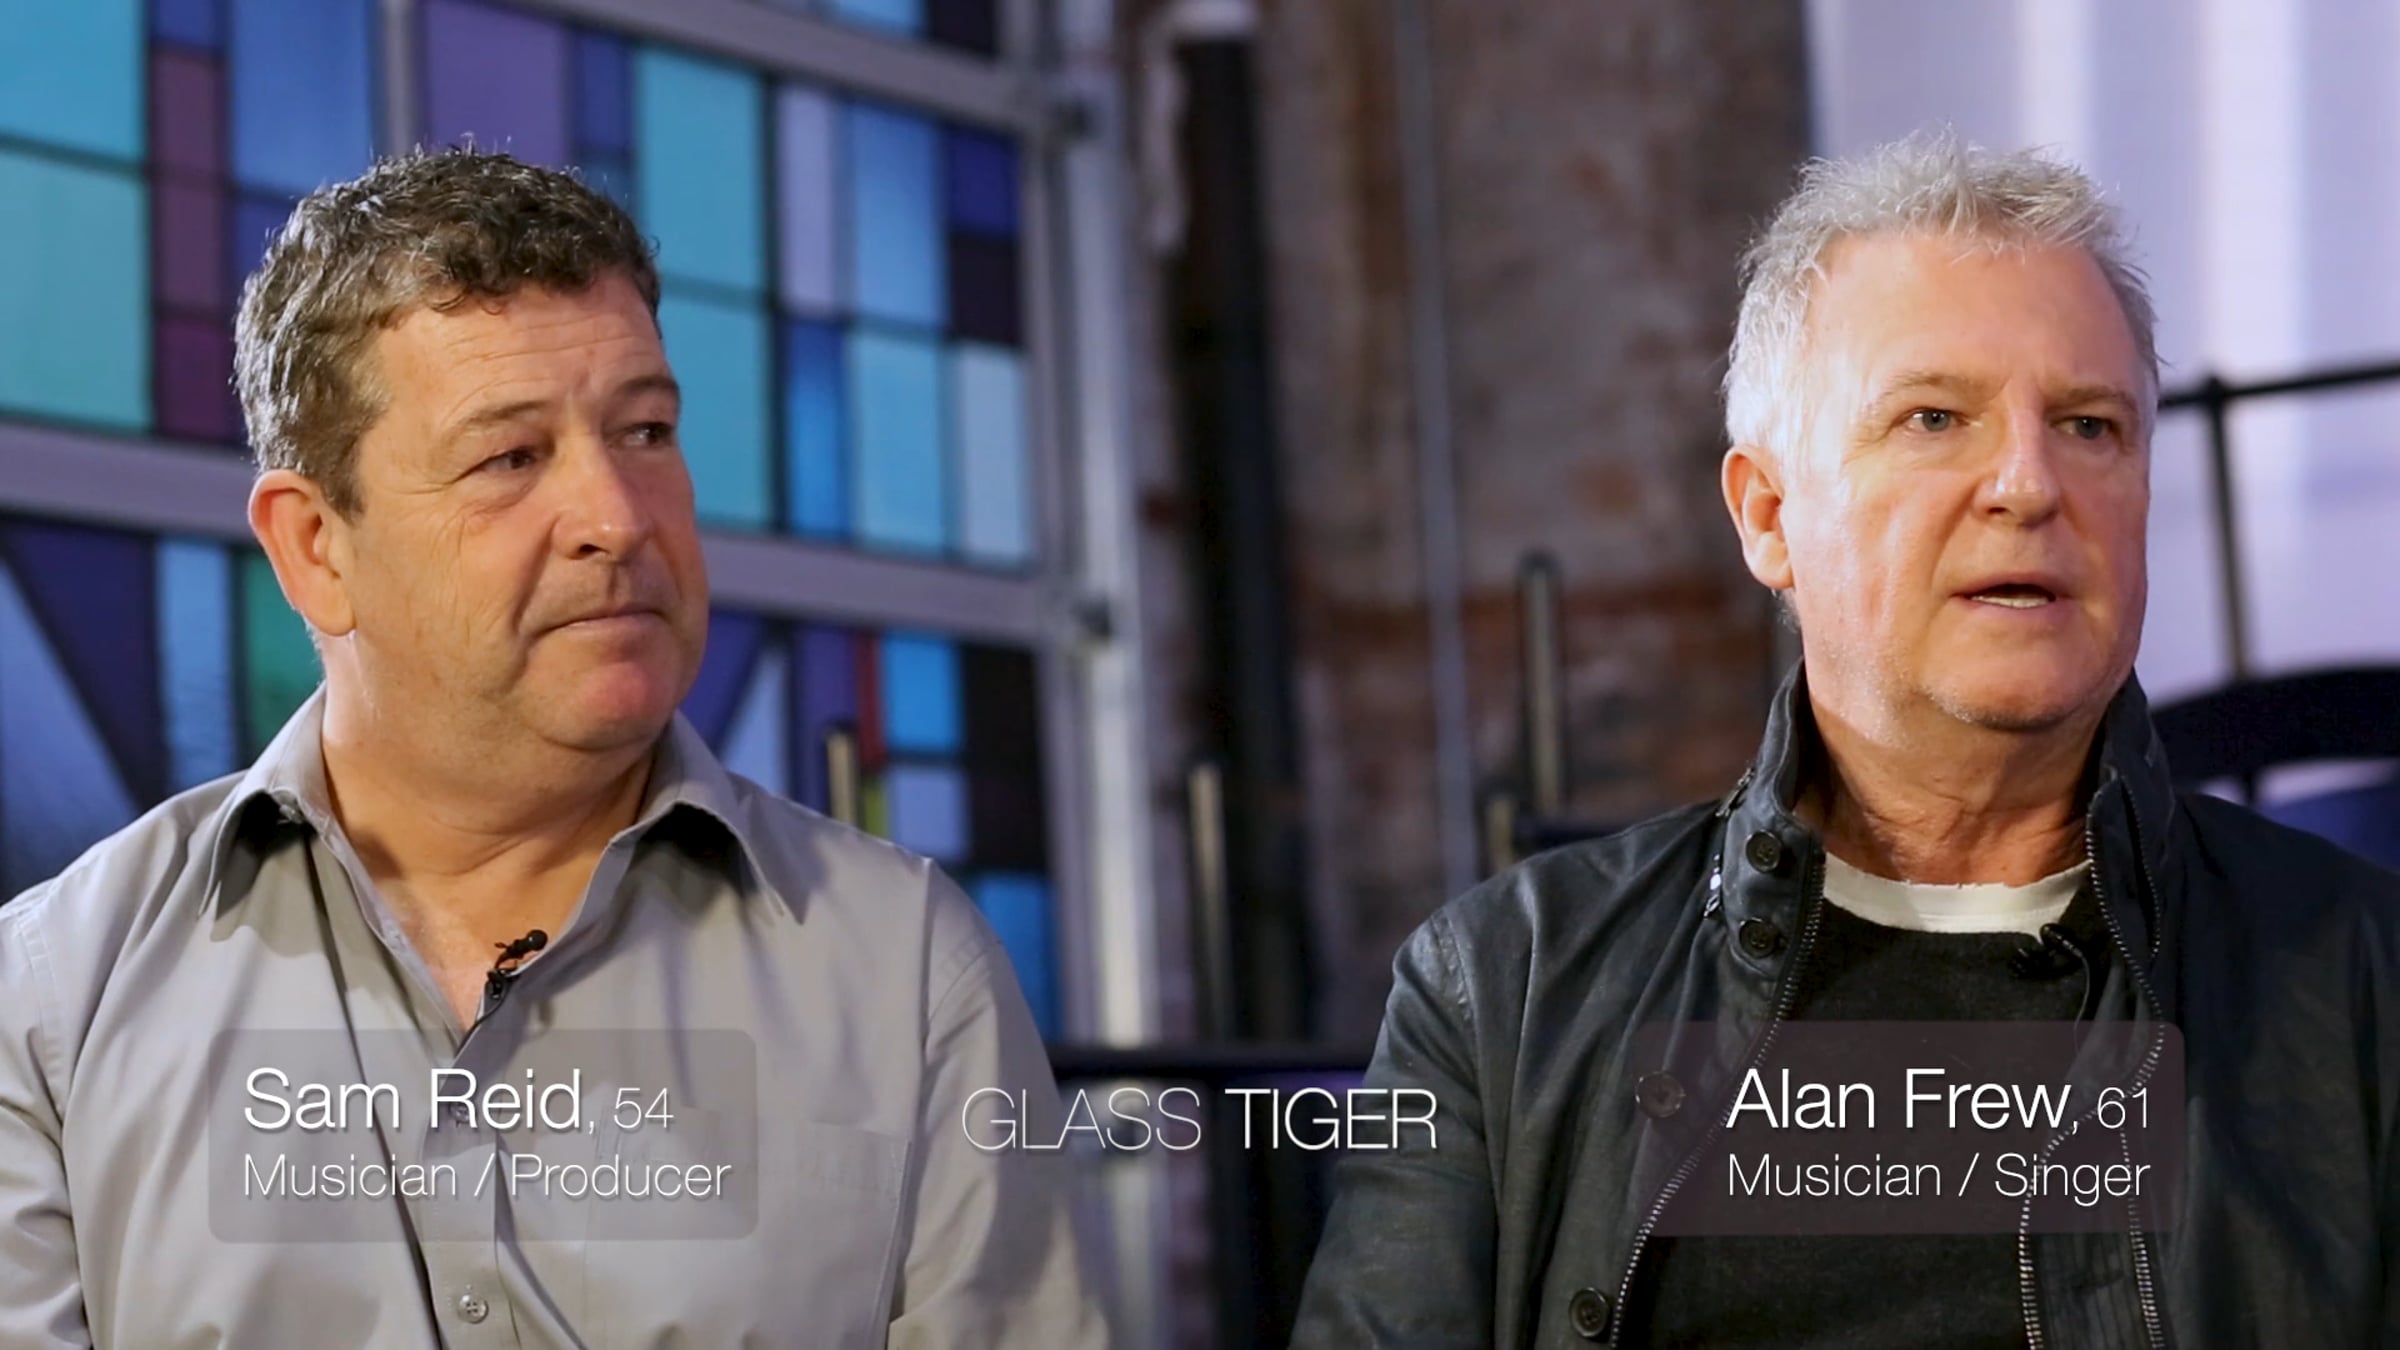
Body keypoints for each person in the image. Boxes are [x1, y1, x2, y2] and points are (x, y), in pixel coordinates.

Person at [1290, 130, 2400, 1347]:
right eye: (1934, 418)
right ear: (1769, 516)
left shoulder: (2365, 986)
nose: (2029, 483)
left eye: (2090, 426)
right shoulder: (1505, 988)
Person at [0, 150, 1107, 1347]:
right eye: (511, 457)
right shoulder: (50, 1005)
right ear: (316, 547)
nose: (618, 519)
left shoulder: (906, 975)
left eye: (646, 432)